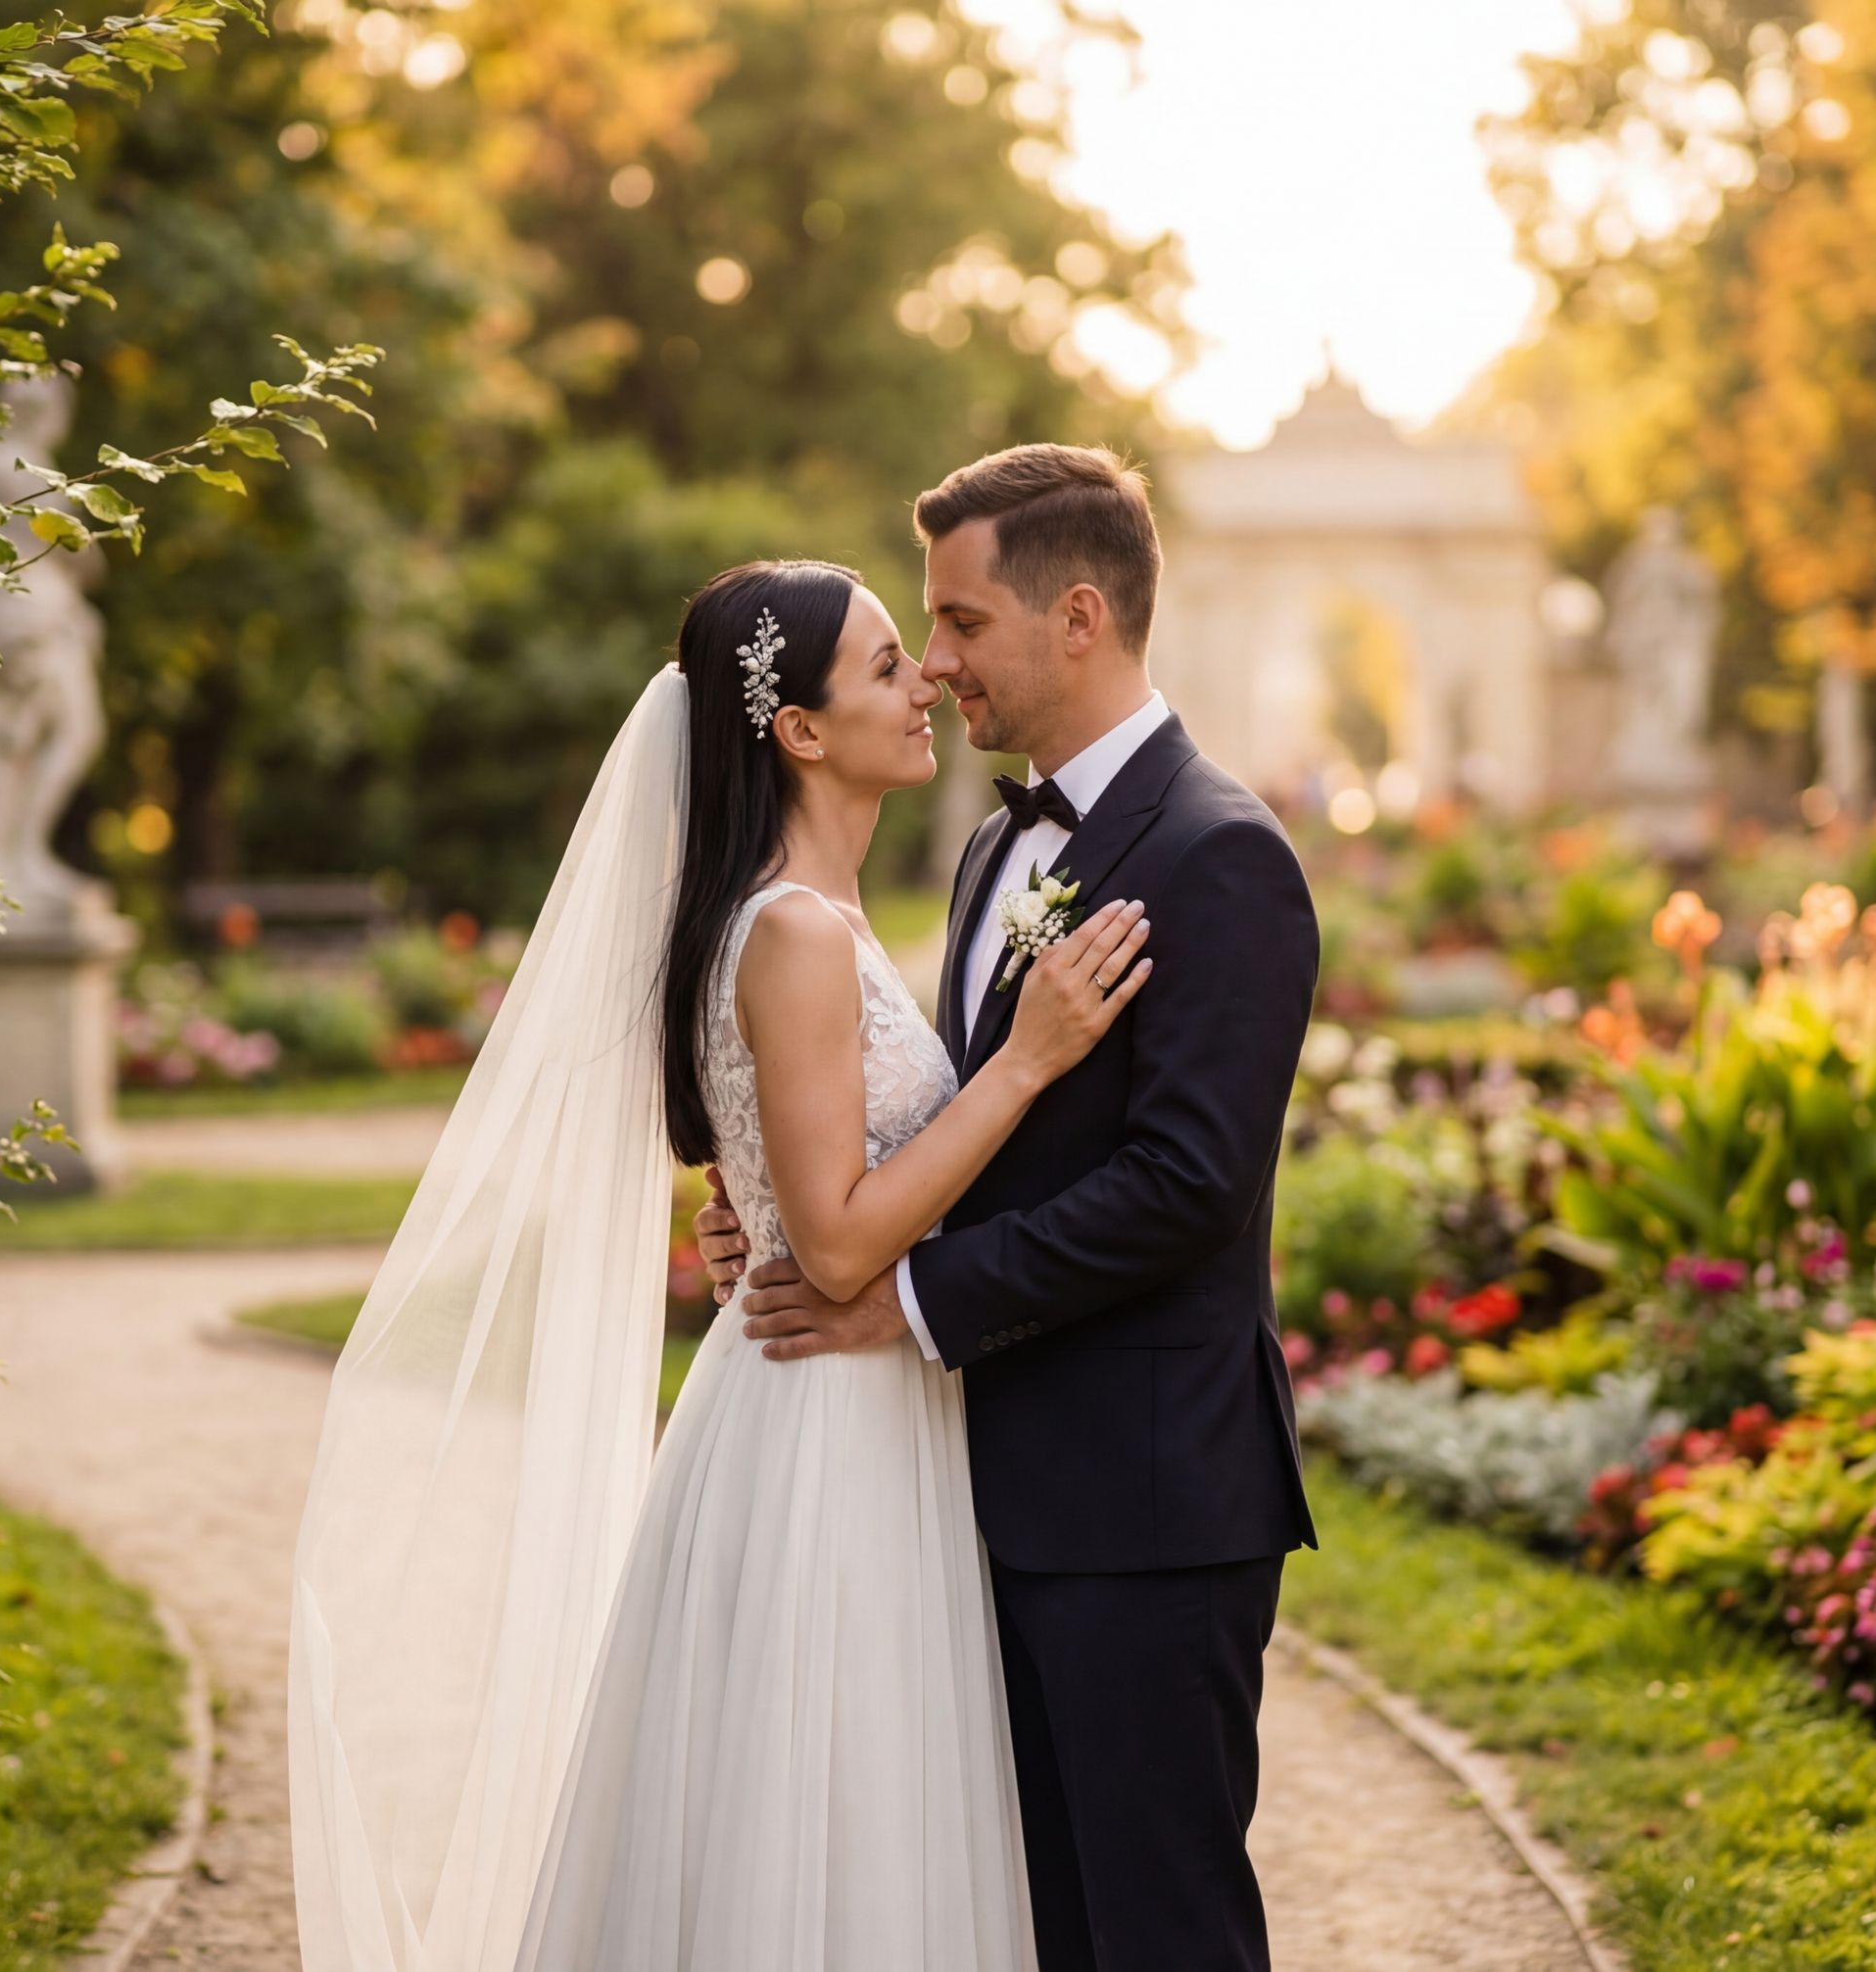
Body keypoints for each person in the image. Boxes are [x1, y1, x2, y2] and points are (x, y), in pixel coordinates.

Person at [290, 550, 1154, 1971]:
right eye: (887, 664)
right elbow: (839, 1237)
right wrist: (1026, 1060)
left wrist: (754, 1206)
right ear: (800, 728)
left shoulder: (796, 916)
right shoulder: (795, 929)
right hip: (833, 1423)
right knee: (836, 1805)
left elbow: (789, 1182)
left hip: (840, 1397)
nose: (926, 679)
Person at [704, 444, 1323, 1972]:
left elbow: (1184, 1187)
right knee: (1030, 1925)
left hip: (1144, 1504)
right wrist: (783, 1219)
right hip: (971, 1489)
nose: (936, 661)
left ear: (1080, 617)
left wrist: (903, 1298)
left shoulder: (1223, 855)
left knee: (1160, 1928)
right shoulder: (995, 847)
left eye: (963, 621)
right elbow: (959, 1125)